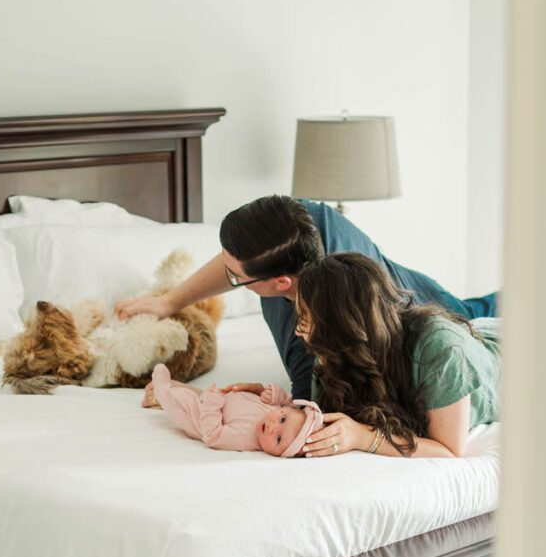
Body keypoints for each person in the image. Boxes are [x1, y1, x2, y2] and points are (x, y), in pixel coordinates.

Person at [115, 196, 499, 400]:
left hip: (419, 306)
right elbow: (238, 259)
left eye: (237, 278)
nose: (230, 279)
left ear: (282, 282)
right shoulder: (290, 223)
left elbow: (305, 413)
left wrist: (197, 399)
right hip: (394, 283)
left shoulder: (317, 342)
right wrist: (170, 302)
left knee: (475, 317)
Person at [293, 253, 501, 459]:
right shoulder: (335, 354)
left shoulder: (441, 349)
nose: (296, 331)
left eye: (304, 320)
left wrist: (363, 437)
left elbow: (448, 450)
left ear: (339, 326)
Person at [143, 363, 323, 457]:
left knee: (178, 401)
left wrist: (212, 404)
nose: (273, 427)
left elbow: (212, 435)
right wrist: (274, 394)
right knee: (194, 394)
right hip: (215, 398)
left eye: (278, 439)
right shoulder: (277, 410)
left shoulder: (245, 438)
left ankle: (161, 391)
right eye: (283, 419)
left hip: (199, 415)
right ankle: (162, 394)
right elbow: (289, 401)